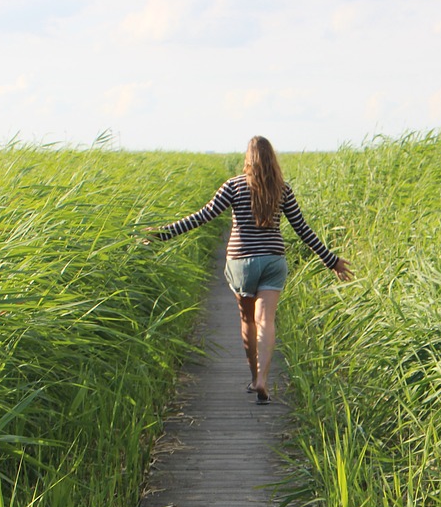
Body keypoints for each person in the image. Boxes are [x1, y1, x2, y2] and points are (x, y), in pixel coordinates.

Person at [151, 136, 353, 404]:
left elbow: (202, 216)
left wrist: (161, 235)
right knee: (266, 320)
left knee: (247, 320)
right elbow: (303, 229)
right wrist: (332, 260)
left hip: (241, 262)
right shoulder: (283, 189)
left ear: (248, 158)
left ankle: (253, 375)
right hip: (273, 260)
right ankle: (263, 379)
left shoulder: (233, 186)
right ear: (272, 158)